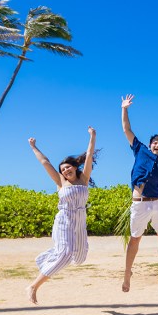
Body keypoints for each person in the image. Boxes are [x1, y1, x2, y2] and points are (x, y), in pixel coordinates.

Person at [25, 126, 96, 305]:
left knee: (79, 258)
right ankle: (33, 286)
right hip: (64, 220)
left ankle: (46, 258)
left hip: (80, 222)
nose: (65, 171)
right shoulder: (60, 182)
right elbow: (45, 162)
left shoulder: (84, 179)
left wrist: (92, 136)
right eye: (62, 169)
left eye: (68, 168)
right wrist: (34, 147)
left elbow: (89, 155)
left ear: (74, 167)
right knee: (65, 253)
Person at [120, 94, 158, 292]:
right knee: (135, 239)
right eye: (155, 142)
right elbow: (127, 129)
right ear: (150, 144)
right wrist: (125, 108)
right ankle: (127, 273)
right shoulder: (140, 150)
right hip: (140, 202)